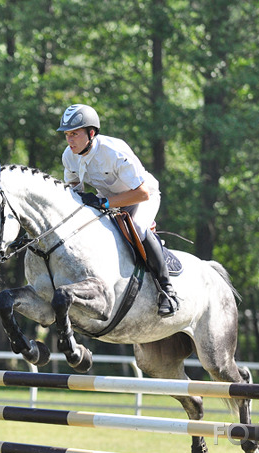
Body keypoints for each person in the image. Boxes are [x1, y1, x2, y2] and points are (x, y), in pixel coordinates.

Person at [57, 103, 178, 317]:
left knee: (139, 228)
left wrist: (104, 204)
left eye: (74, 134)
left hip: (142, 196)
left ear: (91, 133)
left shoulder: (113, 151)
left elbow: (141, 193)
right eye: (67, 134)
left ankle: (167, 291)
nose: (69, 140)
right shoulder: (69, 156)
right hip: (111, 199)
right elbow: (73, 191)